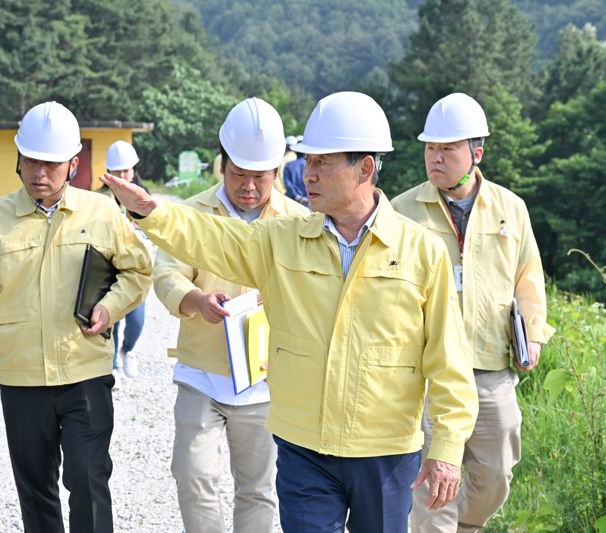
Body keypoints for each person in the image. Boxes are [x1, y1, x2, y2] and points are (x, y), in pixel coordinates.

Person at [101, 91, 478, 533]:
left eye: (322, 163)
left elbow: (448, 359)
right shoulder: (283, 238)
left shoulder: (422, 253)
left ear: (366, 168)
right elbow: (211, 238)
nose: (307, 173)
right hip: (303, 447)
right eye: (307, 161)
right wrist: (150, 211)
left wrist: (448, 449)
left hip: (386, 450)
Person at [0, 101, 153, 533]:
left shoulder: (101, 214)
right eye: (31, 162)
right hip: (21, 377)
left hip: (85, 370)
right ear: (18, 159)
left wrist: (110, 306)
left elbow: (137, 270)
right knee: (36, 489)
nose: (39, 173)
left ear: (73, 165)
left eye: (51, 164)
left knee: (88, 478)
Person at [391, 92, 555, 532]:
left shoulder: (510, 209)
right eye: (430, 148)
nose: (436, 157)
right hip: (427, 375)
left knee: (495, 476)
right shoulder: (401, 211)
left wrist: (533, 336)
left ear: (476, 153)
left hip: (491, 369)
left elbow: (528, 277)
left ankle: (465, 527)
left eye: (447, 149)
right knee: (432, 488)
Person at [153, 97, 308, 533]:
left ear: (276, 172)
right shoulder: (190, 214)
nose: (250, 187)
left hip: (265, 379)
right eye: (240, 175)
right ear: (221, 164)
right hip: (201, 371)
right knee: (193, 473)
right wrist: (195, 301)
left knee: (258, 487)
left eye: (260, 177)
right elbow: (166, 273)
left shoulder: (298, 222)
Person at [97, 140, 150, 382]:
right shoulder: (99, 200)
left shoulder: (144, 197)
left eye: (125, 171)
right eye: (116, 171)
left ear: (134, 169)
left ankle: (128, 350)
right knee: (112, 320)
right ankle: (113, 366)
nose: (121, 176)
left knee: (136, 321)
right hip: (109, 269)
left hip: (136, 270)